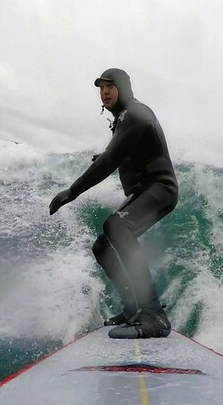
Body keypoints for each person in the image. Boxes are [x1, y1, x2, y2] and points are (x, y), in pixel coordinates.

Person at [49, 68, 178, 339]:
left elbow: (111, 159)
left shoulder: (134, 113)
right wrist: (109, 155)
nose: (104, 92)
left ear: (123, 87)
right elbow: (122, 151)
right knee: (103, 245)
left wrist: (71, 192)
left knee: (117, 226)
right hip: (143, 190)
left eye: (110, 86)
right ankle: (133, 309)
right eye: (100, 88)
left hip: (159, 188)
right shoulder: (124, 118)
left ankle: (153, 313)